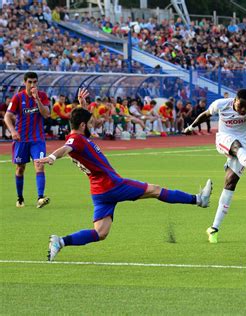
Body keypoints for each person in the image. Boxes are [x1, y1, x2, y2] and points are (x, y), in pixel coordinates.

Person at [36, 89, 213, 262]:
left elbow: (76, 134)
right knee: (155, 190)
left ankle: (61, 242)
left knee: (101, 232)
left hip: (99, 191)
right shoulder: (76, 140)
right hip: (111, 185)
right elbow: (66, 148)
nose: (92, 125)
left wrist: (83, 106)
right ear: (82, 125)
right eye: (89, 124)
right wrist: (52, 156)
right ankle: (198, 200)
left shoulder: (76, 136)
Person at [184, 89, 246, 243]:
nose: (243, 110)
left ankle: (214, 228)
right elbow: (205, 115)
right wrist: (191, 127)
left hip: (243, 145)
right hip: (224, 139)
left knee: (230, 184)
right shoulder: (221, 104)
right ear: (235, 100)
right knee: (237, 148)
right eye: (241, 106)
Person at [4, 72, 51, 208]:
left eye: (35, 82)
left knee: (40, 165)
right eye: (30, 82)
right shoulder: (18, 97)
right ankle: (20, 198)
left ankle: (40, 198)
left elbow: (46, 114)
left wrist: (37, 100)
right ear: (24, 82)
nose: (32, 85)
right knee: (20, 168)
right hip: (21, 140)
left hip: (38, 139)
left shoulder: (42, 96)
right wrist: (13, 131)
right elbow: (7, 116)